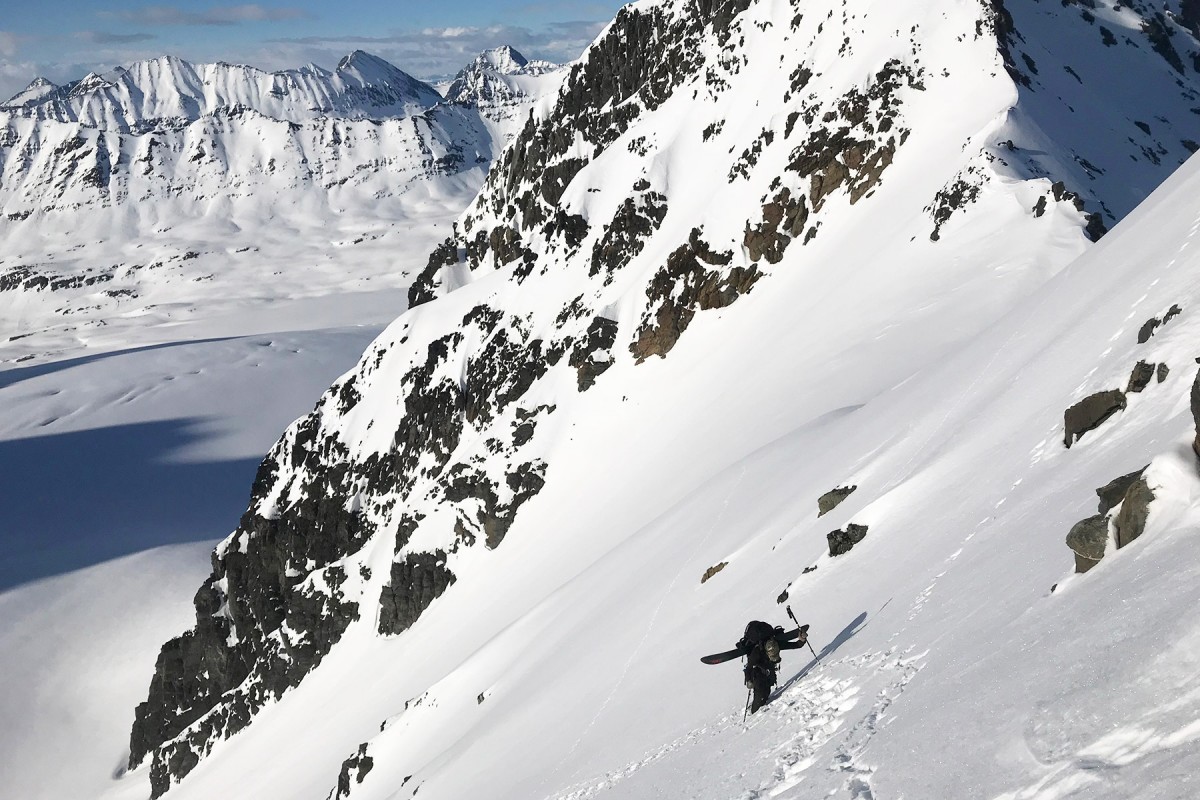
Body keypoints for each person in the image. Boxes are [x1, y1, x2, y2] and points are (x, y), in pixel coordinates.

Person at [738, 619, 808, 713]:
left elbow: (796, 645)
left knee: (765, 694)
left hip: (769, 672)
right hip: (758, 675)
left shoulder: (776, 644)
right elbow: (749, 667)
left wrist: (802, 640)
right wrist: (749, 680)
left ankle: (757, 708)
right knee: (760, 697)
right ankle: (754, 713)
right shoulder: (757, 651)